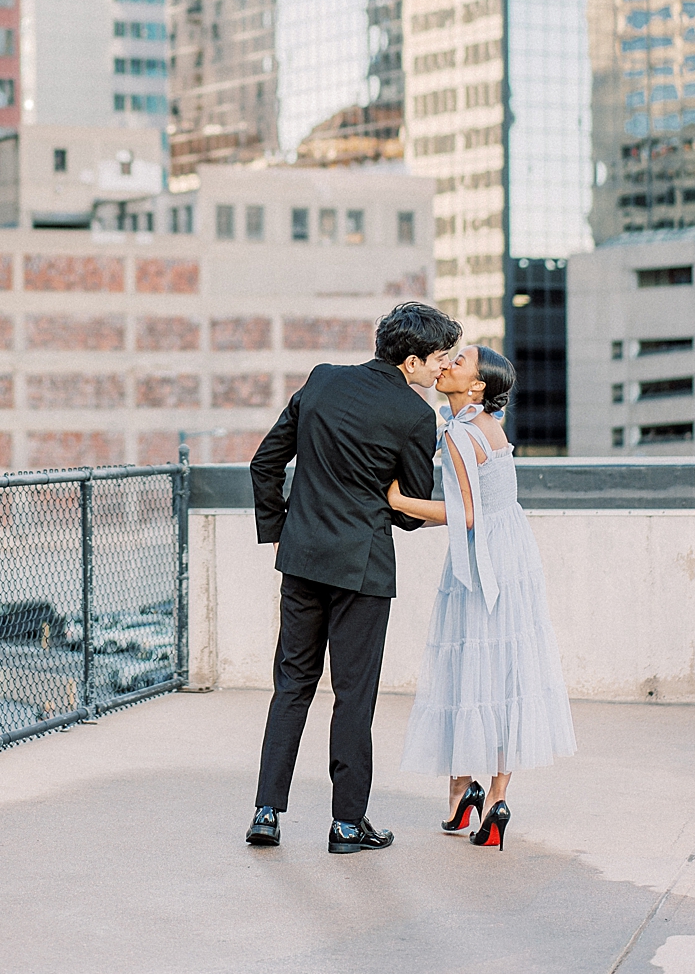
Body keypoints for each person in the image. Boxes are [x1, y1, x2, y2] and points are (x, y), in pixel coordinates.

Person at [245, 300, 462, 854]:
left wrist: (278, 527)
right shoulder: (416, 416)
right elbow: (411, 507)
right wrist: (383, 505)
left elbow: (265, 462)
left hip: (301, 558)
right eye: (439, 359)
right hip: (362, 567)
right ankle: (346, 824)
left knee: (291, 685)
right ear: (411, 362)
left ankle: (266, 813)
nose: (443, 368)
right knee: (353, 696)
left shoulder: (321, 381)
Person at [388, 345, 576, 851]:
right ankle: (492, 799)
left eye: (460, 361)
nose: (446, 364)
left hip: (481, 559)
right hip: (512, 552)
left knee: (470, 669)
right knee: (505, 669)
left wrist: (398, 501)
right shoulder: (490, 426)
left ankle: (462, 791)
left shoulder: (460, 433)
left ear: (477, 388)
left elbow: (466, 513)